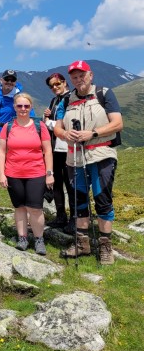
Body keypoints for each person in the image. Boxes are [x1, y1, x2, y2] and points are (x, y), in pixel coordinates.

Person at [54, 60, 123, 265]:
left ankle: (105, 247)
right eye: (74, 77)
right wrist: (65, 133)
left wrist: (92, 133)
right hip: (74, 157)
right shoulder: (66, 100)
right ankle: (82, 243)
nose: (78, 80)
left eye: (81, 75)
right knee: (78, 200)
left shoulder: (104, 93)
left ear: (90, 75)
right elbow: (57, 127)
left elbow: (118, 123)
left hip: (101, 154)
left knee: (102, 199)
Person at [0, 93, 54, 255]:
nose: (23, 109)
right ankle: (22, 238)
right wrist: (2, 173)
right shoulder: (7, 127)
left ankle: (38, 240)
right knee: (20, 207)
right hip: (13, 173)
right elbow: (1, 152)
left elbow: (48, 151)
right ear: (14, 107)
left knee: (35, 208)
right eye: (19, 106)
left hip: (36, 172)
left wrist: (49, 173)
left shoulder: (39, 125)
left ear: (31, 107)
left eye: (26, 106)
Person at [0, 69, 33, 210]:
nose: (9, 82)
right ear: (1, 80)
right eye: (6, 79)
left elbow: (30, 115)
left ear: (15, 82)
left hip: (4, 134)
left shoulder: (18, 98)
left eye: (12, 80)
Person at [43, 73, 74, 232]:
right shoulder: (54, 100)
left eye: (57, 84)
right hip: (55, 147)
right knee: (56, 181)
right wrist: (47, 116)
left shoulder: (71, 98)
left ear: (64, 82)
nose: (54, 87)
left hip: (66, 146)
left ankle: (74, 218)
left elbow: (67, 123)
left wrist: (49, 122)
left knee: (70, 182)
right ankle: (61, 216)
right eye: (51, 86)